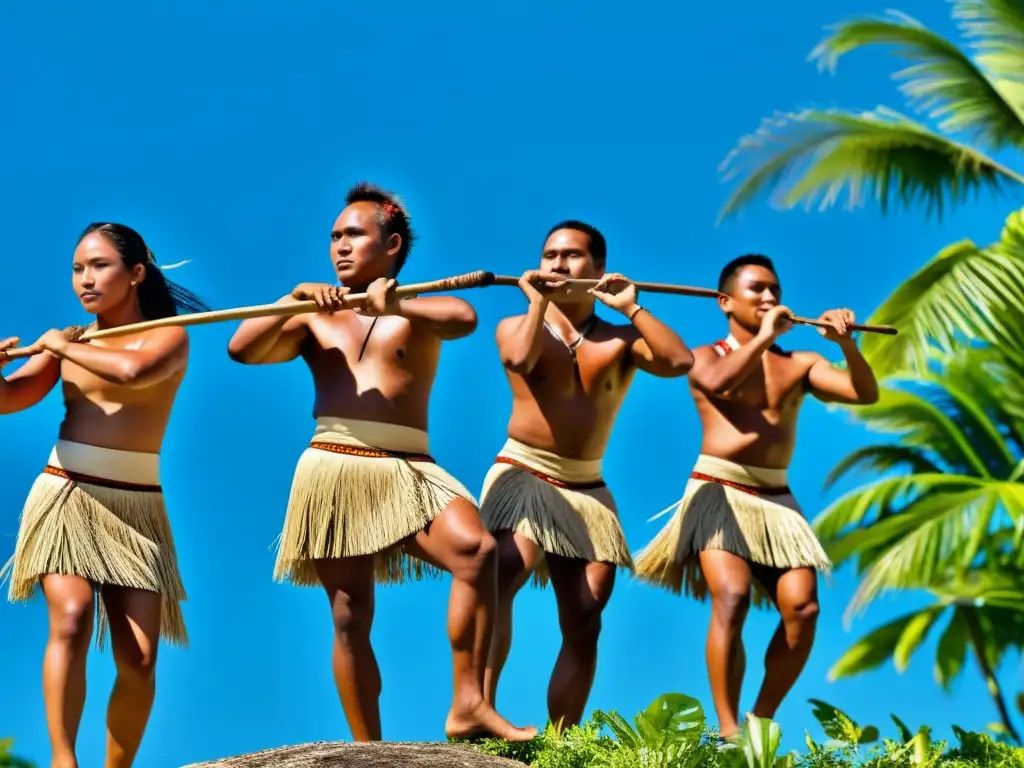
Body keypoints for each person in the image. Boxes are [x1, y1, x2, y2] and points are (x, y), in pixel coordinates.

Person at [226, 181, 536, 743]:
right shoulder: (312, 315)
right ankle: (368, 749)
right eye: (334, 236)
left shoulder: (418, 308)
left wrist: (395, 302)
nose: (340, 246)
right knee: (349, 614)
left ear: (391, 244)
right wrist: (288, 299)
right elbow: (242, 350)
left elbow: (462, 316)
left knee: (476, 548)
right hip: (334, 464)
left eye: (354, 235)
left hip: (410, 466)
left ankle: (468, 704)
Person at [633, 253, 880, 738]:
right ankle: (726, 730)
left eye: (775, 290)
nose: (770, 298)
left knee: (804, 609)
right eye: (757, 290)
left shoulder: (801, 364)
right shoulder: (704, 356)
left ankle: (759, 720)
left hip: (777, 499)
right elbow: (717, 384)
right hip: (718, 490)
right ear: (725, 302)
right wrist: (765, 336)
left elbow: (863, 393)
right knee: (731, 596)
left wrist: (847, 346)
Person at [0, 222, 210, 768]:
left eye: (99, 266)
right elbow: (11, 399)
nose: (85, 279)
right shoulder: (70, 339)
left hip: (137, 509)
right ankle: (63, 760)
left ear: (136, 273)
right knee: (69, 617)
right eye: (77, 268)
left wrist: (63, 347)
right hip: (66, 496)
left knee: (139, 659)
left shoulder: (170, 336)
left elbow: (134, 372)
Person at [480, 220, 695, 729]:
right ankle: (480, 708)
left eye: (572, 256)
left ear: (598, 269)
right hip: (524, 472)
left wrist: (633, 308)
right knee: (506, 572)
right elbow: (518, 357)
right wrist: (536, 303)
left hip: (587, 487)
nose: (558, 264)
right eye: (550, 254)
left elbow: (679, 360)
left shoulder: (621, 340)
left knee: (585, 616)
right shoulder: (516, 324)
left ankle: (561, 742)